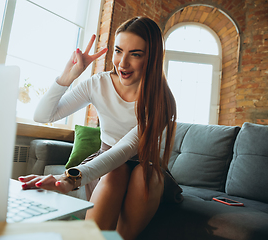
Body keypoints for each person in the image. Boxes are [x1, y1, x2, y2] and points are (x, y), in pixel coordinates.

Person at [18, 16, 180, 240]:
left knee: (143, 174)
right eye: (118, 50)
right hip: (107, 166)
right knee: (116, 171)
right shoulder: (98, 84)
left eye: (135, 54)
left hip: (145, 166)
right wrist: (68, 77)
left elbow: (125, 149)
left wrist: (69, 179)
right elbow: (43, 115)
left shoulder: (161, 100)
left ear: (152, 58)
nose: (122, 63)